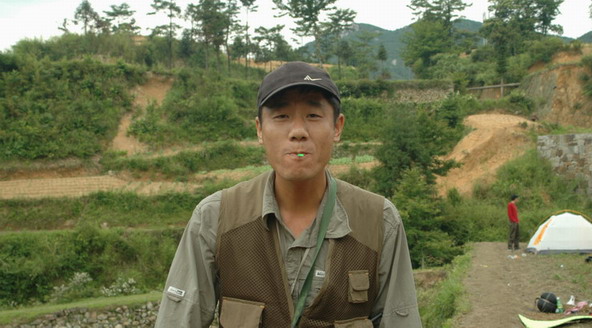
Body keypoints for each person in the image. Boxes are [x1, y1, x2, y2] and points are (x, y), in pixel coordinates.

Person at [155, 62, 422, 327]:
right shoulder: (215, 218)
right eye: (281, 116)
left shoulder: (379, 221)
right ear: (260, 129)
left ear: (337, 127)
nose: (298, 132)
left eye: (313, 116)